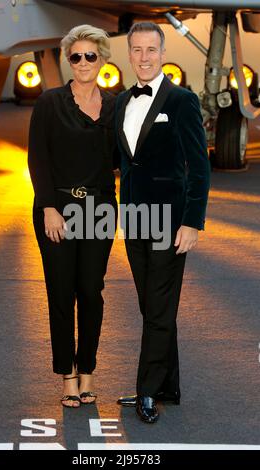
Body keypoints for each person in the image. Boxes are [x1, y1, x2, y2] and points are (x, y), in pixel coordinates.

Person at [116, 22, 210, 423]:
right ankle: (168, 385)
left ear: (163, 51)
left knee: (157, 309)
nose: (143, 57)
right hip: (135, 218)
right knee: (153, 307)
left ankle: (148, 391)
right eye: (136, 50)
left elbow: (199, 166)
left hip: (170, 223)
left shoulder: (182, 100)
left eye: (150, 50)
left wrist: (192, 222)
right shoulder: (122, 101)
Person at [28, 24, 117, 408]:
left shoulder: (116, 105)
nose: (82, 63)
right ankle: (67, 375)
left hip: (99, 210)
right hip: (58, 210)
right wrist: (49, 206)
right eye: (75, 56)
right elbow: (38, 157)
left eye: (90, 56)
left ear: (102, 60)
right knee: (61, 294)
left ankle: (87, 374)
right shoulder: (49, 102)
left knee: (92, 294)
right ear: (68, 60)